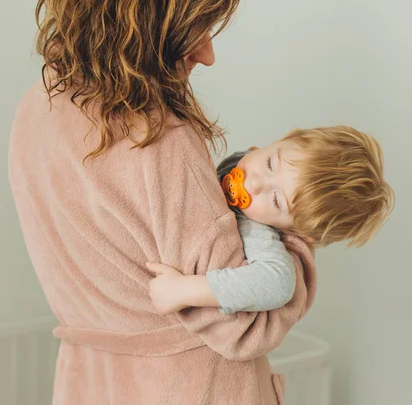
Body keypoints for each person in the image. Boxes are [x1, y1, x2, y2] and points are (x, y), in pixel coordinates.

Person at [8, 0, 316, 405]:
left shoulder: (35, 109)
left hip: (93, 404)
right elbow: (241, 327)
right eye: (196, 29)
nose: (208, 54)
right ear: (150, 23)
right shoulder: (159, 140)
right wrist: (293, 240)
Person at [147, 127, 394, 316]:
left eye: (276, 200)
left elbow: (278, 285)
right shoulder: (241, 161)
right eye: (270, 163)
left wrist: (182, 290)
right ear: (282, 140)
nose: (254, 183)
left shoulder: (257, 232)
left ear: (296, 231)